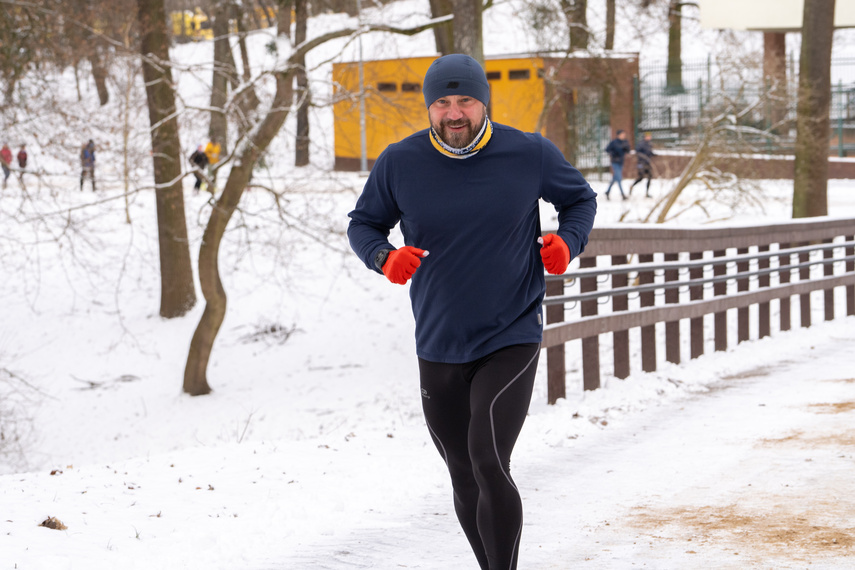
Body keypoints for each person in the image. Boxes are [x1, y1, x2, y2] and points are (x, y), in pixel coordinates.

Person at [347, 53, 597, 570]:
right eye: (442, 102)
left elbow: (580, 201)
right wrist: (384, 258)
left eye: (465, 100)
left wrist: (567, 244)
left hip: (511, 332)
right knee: (462, 470)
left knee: (487, 457)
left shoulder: (528, 153)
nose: (454, 112)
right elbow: (363, 225)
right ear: (429, 108)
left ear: (484, 102)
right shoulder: (400, 161)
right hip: (437, 341)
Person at [604, 129, 631, 200]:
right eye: (622, 134)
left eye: (624, 134)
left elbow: (628, 150)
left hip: (621, 162)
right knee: (619, 178)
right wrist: (612, 153)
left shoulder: (625, 142)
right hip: (615, 162)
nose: (623, 136)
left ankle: (607, 191)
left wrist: (626, 148)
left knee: (615, 178)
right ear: (618, 135)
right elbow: (607, 149)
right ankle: (623, 194)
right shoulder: (614, 142)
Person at [630, 132, 655, 198]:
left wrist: (654, 154)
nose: (649, 137)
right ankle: (632, 186)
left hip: (647, 163)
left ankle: (647, 192)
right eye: (648, 136)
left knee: (650, 176)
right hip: (641, 163)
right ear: (645, 137)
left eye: (650, 136)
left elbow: (649, 152)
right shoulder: (641, 144)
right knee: (641, 177)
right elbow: (638, 152)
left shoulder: (649, 144)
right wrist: (644, 157)